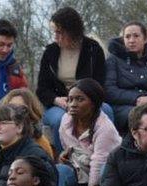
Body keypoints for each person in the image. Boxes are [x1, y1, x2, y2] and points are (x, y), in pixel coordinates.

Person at [37, 7, 109, 153]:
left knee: (107, 111)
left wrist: (83, 101)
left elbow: (100, 84)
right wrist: (57, 100)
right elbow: (42, 89)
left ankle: (102, 157)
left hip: (89, 101)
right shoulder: (50, 51)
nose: (55, 37)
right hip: (57, 105)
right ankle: (66, 160)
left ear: (72, 31)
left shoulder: (93, 50)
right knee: (61, 120)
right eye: (54, 32)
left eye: (59, 32)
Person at [56, 78, 121, 186]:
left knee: (103, 169)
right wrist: (65, 155)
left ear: (93, 103)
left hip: (105, 183)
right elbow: (68, 146)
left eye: (80, 99)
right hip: (81, 175)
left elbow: (97, 168)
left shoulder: (105, 128)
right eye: (70, 99)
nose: (72, 104)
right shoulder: (66, 120)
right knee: (59, 171)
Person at [0, 88, 55, 181]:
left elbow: (46, 178)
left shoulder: (39, 142)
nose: (16, 111)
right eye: (11, 107)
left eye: (21, 108)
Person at [105, 21, 147, 132]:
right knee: (142, 117)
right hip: (123, 107)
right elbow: (109, 90)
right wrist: (136, 99)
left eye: (136, 36)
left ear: (145, 39)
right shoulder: (113, 60)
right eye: (127, 37)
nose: (131, 40)